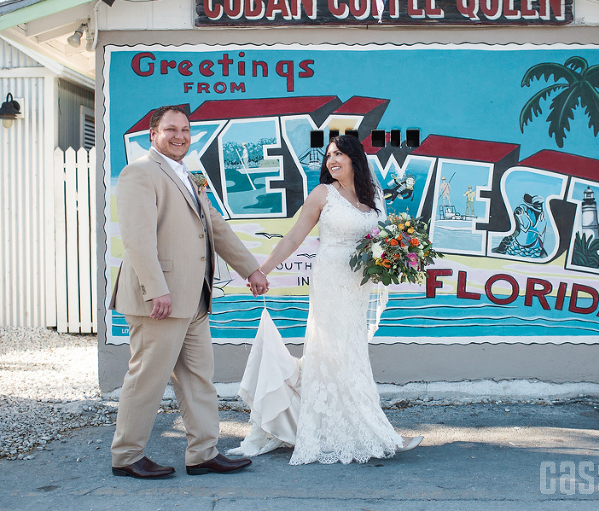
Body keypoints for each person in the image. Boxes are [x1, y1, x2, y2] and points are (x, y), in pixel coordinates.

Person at [230, 135, 422, 464]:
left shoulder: (372, 194)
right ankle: (366, 429)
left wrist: (394, 255)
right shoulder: (323, 194)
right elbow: (293, 236)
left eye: (339, 155)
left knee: (352, 351)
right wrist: (260, 270)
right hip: (331, 278)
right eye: (329, 155)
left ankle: (359, 424)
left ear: (354, 160)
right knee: (334, 349)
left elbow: (378, 238)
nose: (332, 160)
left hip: (358, 282)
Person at [109, 105, 270, 478]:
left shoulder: (189, 176)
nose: (179, 135)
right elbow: (137, 239)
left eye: (184, 129)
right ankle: (127, 456)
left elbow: (215, 226)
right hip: (160, 301)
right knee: (146, 378)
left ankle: (203, 453)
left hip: (194, 298)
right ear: (153, 134)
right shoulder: (139, 173)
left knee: (198, 378)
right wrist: (156, 290)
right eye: (170, 129)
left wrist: (251, 269)